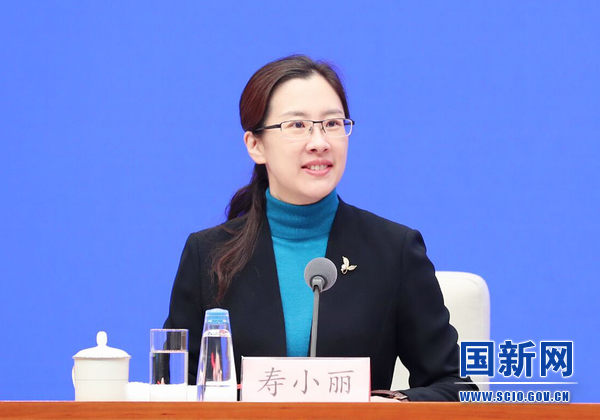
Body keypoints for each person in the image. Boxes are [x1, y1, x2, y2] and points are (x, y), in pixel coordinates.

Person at [163, 55, 477, 401]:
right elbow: (174, 393)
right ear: (255, 145)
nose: (319, 142)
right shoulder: (208, 256)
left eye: (332, 123)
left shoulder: (393, 251)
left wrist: (389, 407)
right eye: (297, 125)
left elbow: (456, 388)